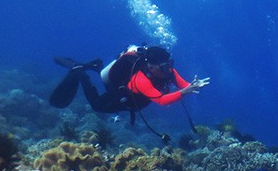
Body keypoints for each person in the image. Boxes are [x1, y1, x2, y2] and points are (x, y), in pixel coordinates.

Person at [49, 45, 210, 135]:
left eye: (169, 64)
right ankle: (80, 72)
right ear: (150, 66)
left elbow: (184, 84)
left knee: (107, 81)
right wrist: (185, 92)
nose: (167, 69)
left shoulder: (168, 70)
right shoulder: (141, 79)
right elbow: (161, 100)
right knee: (96, 106)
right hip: (123, 95)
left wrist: (194, 84)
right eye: (162, 67)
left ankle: (97, 67)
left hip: (135, 100)